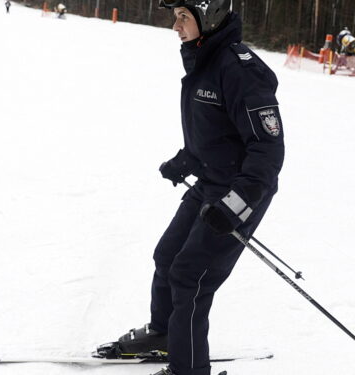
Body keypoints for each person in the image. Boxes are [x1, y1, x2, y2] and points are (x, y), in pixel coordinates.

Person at [99, 1, 285, 375]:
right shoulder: (205, 58)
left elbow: (267, 150)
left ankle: (189, 370)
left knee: (190, 277)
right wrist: (187, 160)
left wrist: (234, 204)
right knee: (167, 257)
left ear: (209, 16)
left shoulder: (240, 69)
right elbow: (216, 132)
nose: (175, 26)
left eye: (183, 17)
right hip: (212, 181)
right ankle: (166, 334)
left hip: (241, 193)